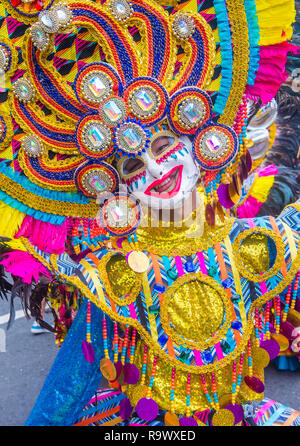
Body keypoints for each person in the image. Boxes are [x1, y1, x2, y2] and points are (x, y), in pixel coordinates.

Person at [0, 0, 300, 427]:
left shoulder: (257, 244)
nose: (156, 168)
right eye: (134, 166)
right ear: (117, 187)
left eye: (162, 146)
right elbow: (62, 397)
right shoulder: (118, 274)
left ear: (200, 138)